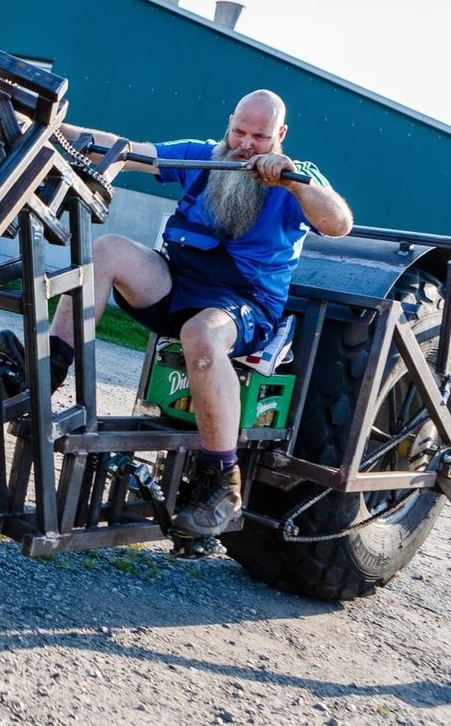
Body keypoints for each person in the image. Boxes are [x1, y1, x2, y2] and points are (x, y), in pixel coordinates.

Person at [20, 89, 354, 538]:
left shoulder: (298, 177)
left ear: (280, 135)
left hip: (244, 304)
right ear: (229, 123)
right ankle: (46, 371)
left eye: (260, 136)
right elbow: (126, 150)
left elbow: (339, 223)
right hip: (178, 284)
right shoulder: (204, 157)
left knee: (201, 334)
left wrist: (293, 182)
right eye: (239, 131)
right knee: (108, 249)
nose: (246, 144)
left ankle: (222, 481)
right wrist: (48, 126)